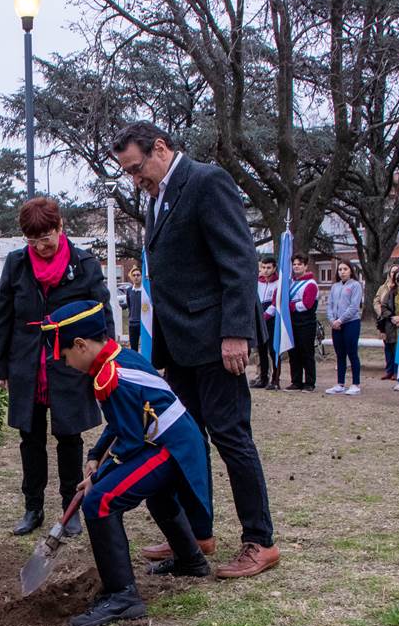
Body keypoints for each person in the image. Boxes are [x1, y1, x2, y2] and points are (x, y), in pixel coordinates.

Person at [111, 121, 277, 579]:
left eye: (137, 167)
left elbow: (238, 260)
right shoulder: (157, 197)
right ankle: (197, 534)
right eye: (127, 172)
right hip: (179, 345)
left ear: (160, 148)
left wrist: (236, 333)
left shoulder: (206, 182)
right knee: (185, 438)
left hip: (216, 341)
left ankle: (259, 541)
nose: (134, 179)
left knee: (231, 436)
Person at [38, 300, 211, 626]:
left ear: (81, 345)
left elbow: (130, 441)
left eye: (64, 357)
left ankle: (123, 597)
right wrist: (95, 455)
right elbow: (120, 423)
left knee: (100, 501)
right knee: (157, 495)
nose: (65, 363)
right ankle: (191, 561)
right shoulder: (116, 359)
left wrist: (98, 477)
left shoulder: (111, 375)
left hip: (170, 446)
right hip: (173, 439)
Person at [0, 197, 113, 537]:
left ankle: (69, 508)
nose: (41, 246)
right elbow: (3, 318)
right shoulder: (15, 265)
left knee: (69, 436)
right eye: (33, 240)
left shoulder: (84, 263)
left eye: (46, 237)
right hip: (26, 363)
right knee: (30, 437)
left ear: (60, 228)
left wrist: (106, 360)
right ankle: (32, 507)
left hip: (68, 362)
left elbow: (103, 314)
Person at [324, 260, 362, 395]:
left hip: (351, 323)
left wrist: (341, 320)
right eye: (340, 269)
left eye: (345, 269)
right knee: (340, 354)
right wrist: (332, 320)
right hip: (336, 325)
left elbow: (354, 306)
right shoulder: (335, 286)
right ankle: (340, 383)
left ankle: (356, 383)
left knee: (352, 353)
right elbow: (330, 304)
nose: (342, 272)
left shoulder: (355, 285)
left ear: (351, 270)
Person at [286, 254, 319, 392]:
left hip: (306, 323)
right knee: (293, 353)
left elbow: (307, 304)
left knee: (306, 352)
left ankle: (310, 382)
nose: (296, 267)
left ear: (305, 266)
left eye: (299, 264)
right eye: (294, 264)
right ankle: (296, 381)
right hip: (292, 322)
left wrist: (290, 306)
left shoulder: (311, 284)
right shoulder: (291, 283)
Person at [253, 256, 281, 390]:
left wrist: (265, 315)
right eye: (263, 267)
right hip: (259, 318)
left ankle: (275, 379)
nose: (265, 270)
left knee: (273, 350)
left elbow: (276, 303)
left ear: (274, 268)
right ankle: (263, 377)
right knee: (261, 350)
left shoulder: (278, 283)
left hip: (271, 320)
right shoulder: (257, 282)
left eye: (269, 267)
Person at [375, 266, 399, 389]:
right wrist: (392, 317)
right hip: (389, 324)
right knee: (389, 348)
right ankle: (390, 371)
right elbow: (383, 306)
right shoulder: (389, 292)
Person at [126, 267, 143, 352]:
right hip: (133, 323)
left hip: (143, 323)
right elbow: (129, 305)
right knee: (133, 348)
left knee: (146, 348)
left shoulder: (145, 291)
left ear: (141, 276)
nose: (136, 277)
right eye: (134, 275)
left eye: (138, 275)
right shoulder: (129, 290)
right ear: (132, 277)